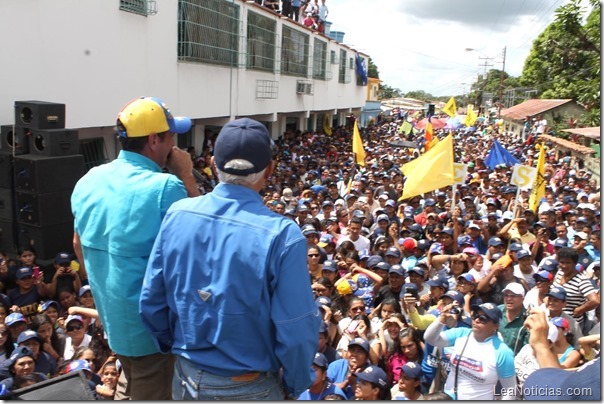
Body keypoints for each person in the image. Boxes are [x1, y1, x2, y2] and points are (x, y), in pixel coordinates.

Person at [139, 118, 320, 400]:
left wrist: (176, 348)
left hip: (185, 378)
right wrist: (296, 383)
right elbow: (296, 329)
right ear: (269, 170)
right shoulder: (283, 235)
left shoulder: (177, 213)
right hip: (248, 387)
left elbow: (151, 300)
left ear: (213, 164)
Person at [70, 97, 200, 400]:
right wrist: (186, 175)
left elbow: (78, 245)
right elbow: (203, 239)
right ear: (154, 140)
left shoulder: (89, 179)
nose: (174, 145)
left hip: (115, 322)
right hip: (151, 333)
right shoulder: (165, 187)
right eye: (171, 137)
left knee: (131, 378)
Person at [423, 302, 517, 400]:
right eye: (475, 315)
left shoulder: (502, 352)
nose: (476, 320)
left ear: (495, 326)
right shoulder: (462, 333)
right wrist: (441, 320)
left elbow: (510, 389)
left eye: (483, 319)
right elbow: (430, 338)